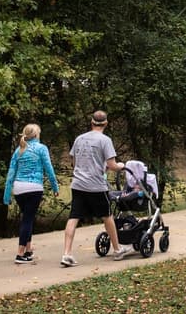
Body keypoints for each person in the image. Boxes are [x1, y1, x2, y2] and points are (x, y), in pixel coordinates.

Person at [61, 110, 129, 265]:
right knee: (107, 216)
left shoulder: (79, 139)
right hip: (96, 185)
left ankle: (66, 253)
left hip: (78, 184)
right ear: (105, 123)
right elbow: (111, 165)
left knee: (74, 217)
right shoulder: (105, 140)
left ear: (91, 122)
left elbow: (74, 163)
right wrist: (121, 166)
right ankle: (117, 249)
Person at [3, 123, 59, 264]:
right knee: (27, 220)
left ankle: (28, 251)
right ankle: (20, 253)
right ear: (36, 135)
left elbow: (11, 173)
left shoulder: (19, 150)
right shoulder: (41, 148)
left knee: (27, 218)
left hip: (19, 188)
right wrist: (55, 186)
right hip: (34, 187)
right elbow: (49, 168)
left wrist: (7, 194)